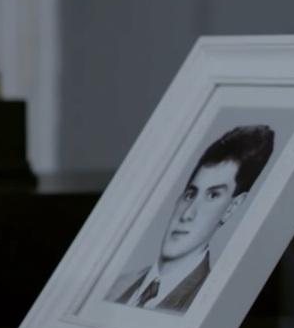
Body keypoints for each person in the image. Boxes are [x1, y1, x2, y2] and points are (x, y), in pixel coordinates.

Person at [105, 125, 274, 314]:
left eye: (213, 195)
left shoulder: (209, 304)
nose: (187, 214)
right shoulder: (114, 287)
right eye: (190, 194)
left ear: (231, 208)